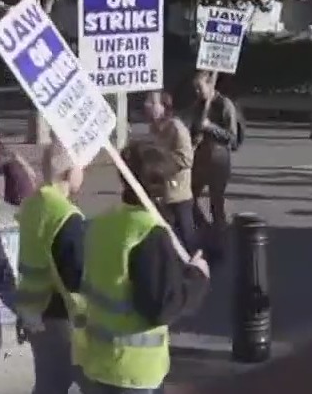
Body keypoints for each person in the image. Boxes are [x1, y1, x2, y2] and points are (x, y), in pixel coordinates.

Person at [78, 141, 210, 394]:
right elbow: (162, 306)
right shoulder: (149, 234)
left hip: (99, 361)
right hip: (134, 371)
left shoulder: (102, 223)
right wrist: (197, 277)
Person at [16, 143, 87, 394]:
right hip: (60, 313)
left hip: (33, 309)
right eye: (81, 166)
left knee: (48, 382)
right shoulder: (67, 216)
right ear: (69, 173)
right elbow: (76, 277)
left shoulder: (32, 204)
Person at [188, 71, 238, 251]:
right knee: (188, 197)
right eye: (195, 89)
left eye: (200, 88)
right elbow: (193, 130)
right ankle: (205, 229)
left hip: (218, 158)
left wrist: (211, 128)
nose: (197, 92)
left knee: (216, 202)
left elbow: (232, 138)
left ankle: (220, 242)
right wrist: (194, 137)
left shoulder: (225, 105)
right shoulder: (198, 105)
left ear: (211, 85)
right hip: (200, 157)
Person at [144, 90, 199, 254]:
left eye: (152, 102)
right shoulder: (154, 128)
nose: (146, 105)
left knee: (186, 237)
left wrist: (161, 165)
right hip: (160, 194)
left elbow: (187, 159)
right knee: (167, 238)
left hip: (178, 195)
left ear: (164, 107)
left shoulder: (176, 128)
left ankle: (196, 268)